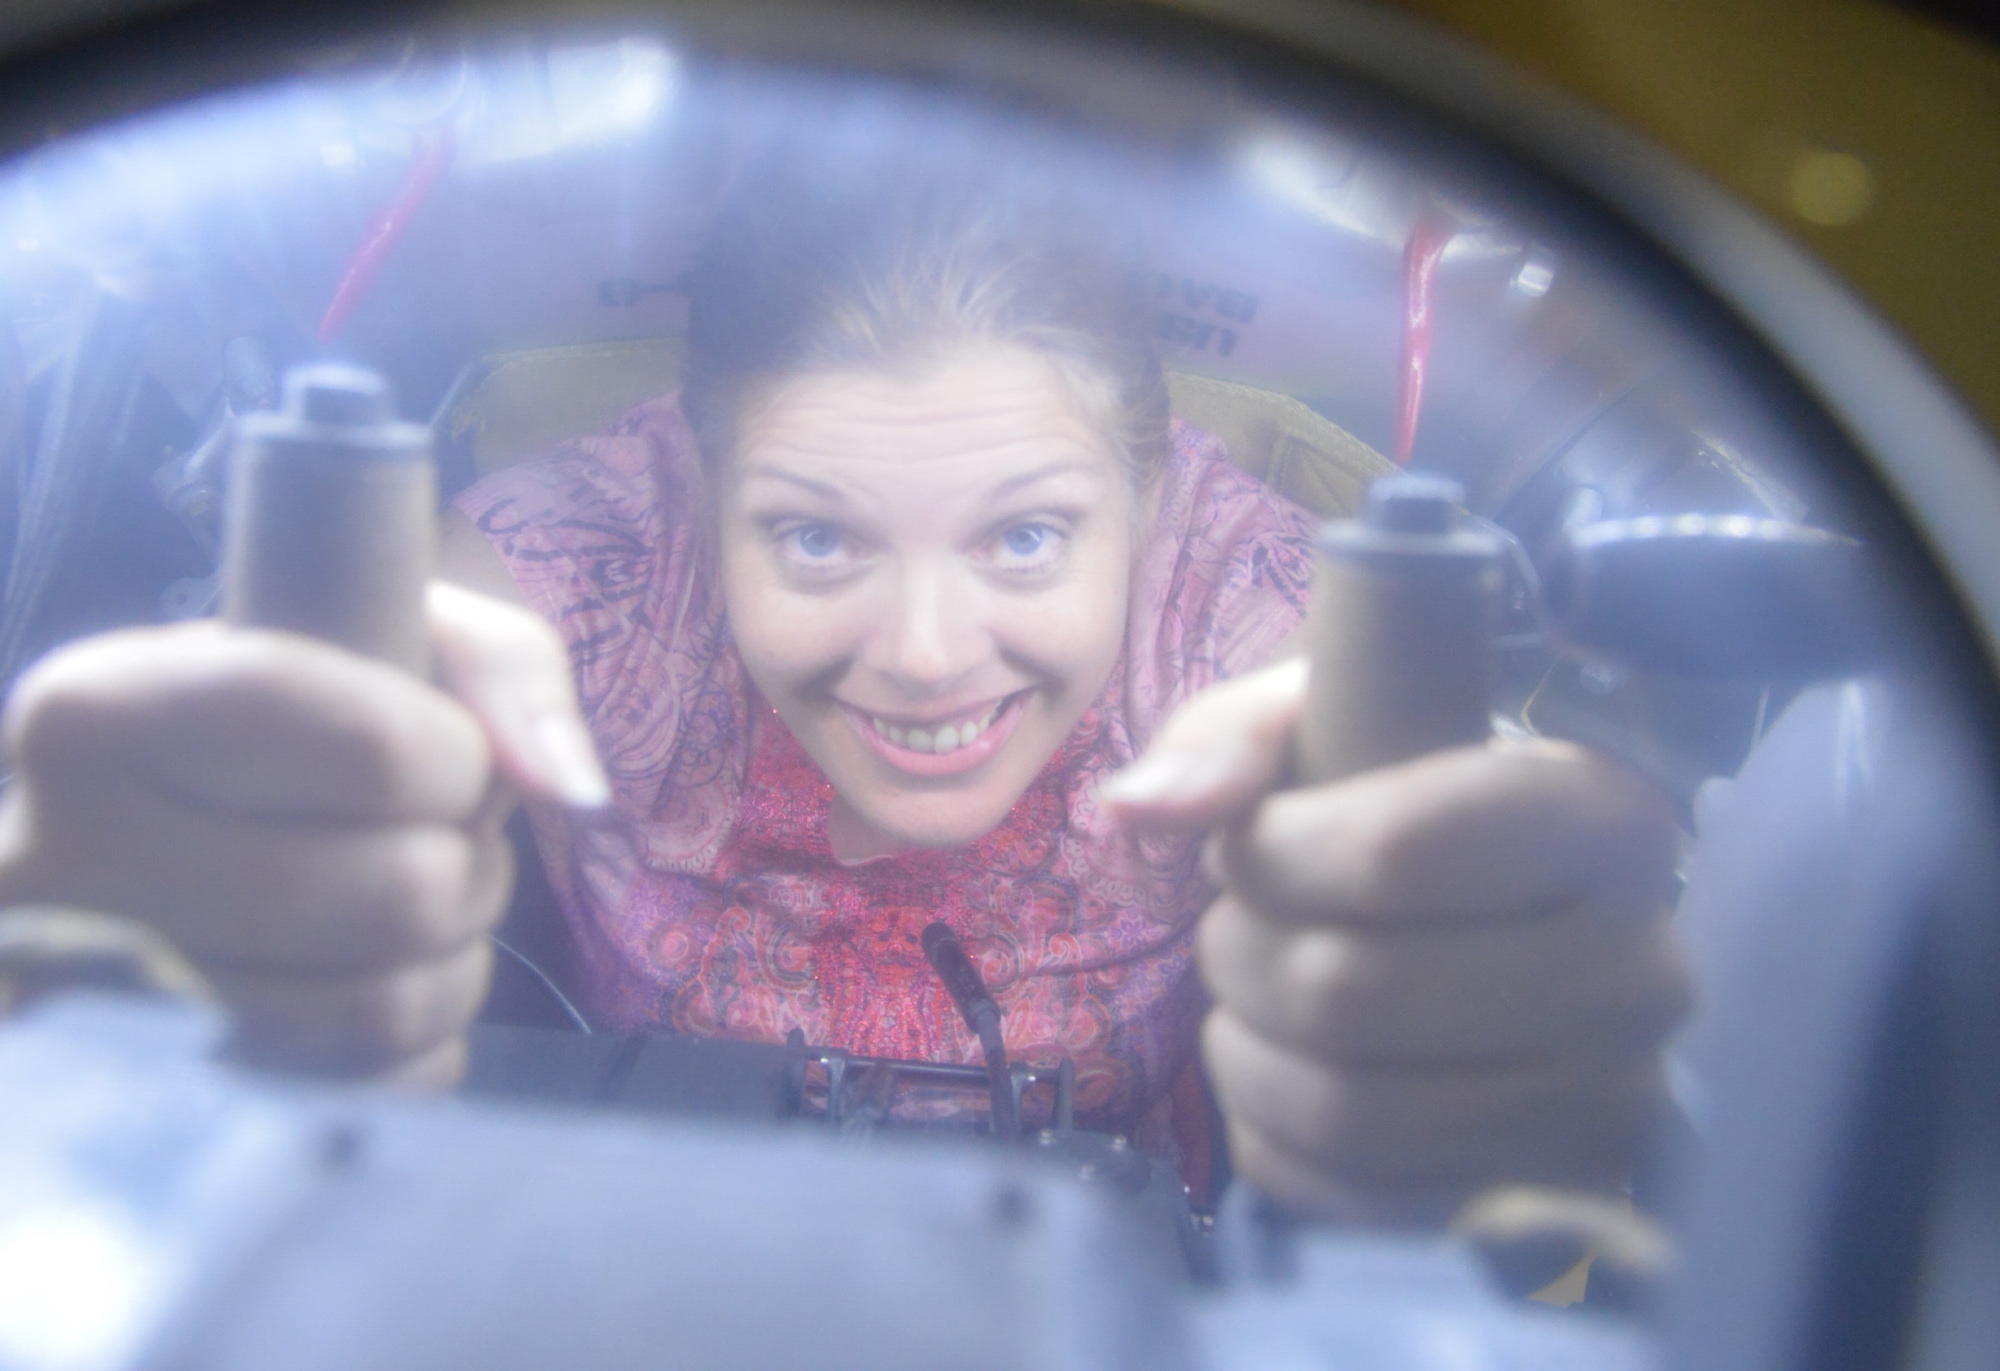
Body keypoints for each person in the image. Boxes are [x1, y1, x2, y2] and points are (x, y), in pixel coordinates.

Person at [0, 131, 1686, 1225]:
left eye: (1027, 538)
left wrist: (1504, 892)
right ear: (698, 473)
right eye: (815, 542)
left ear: (1155, 491)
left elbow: (1421, 771)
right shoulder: (604, 553)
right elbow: (353, 671)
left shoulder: (1232, 588)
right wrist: (211, 808)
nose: (929, 655)